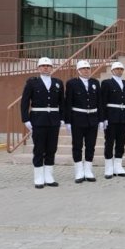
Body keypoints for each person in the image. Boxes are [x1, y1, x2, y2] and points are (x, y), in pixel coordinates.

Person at [21, 57, 65, 189]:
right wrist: (26, 119)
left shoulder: (58, 82)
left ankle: (49, 176)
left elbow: (62, 102)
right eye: (43, 66)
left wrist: (62, 118)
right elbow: (24, 102)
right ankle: (39, 177)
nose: (46, 68)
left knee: (52, 148)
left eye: (48, 66)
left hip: (53, 120)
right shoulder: (32, 82)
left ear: (52, 68)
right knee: (39, 149)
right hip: (38, 119)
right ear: (38, 68)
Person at [64, 60, 102, 184]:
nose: (86, 70)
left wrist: (101, 119)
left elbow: (99, 103)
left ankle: (88, 170)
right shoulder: (72, 83)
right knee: (77, 145)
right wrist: (68, 121)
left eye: (88, 68)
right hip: (77, 119)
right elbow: (68, 102)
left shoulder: (95, 83)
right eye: (83, 68)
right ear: (78, 70)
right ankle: (79, 171)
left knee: (91, 145)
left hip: (92, 119)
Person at [100, 61, 125, 179]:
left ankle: (118, 166)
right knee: (109, 142)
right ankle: (108, 167)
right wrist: (103, 118)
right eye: (117, 69)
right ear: (112, 70)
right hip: (111, 117)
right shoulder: (106, 83)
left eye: (121, 69)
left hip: (123, 117)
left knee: (121, 142)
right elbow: (103, 101)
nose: (119, 71)